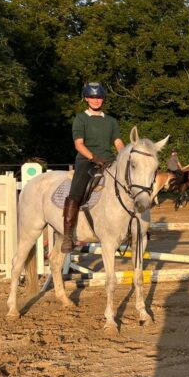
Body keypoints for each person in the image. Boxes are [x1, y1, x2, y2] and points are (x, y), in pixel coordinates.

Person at [62, 82, 124, 252]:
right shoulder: (81, 119)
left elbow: (118, 142)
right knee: (76, 190)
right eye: (92, 97)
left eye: (99, 97)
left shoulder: (111, 121)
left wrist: (124, 155)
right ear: (86, 98)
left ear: (103, 99)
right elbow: (78, 144)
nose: (96, 100)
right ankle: (67, 235)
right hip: (86, 160)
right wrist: (93, 157)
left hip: (108, 160)